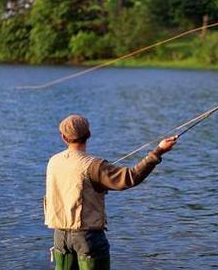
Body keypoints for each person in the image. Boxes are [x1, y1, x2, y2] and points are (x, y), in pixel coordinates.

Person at [44, 114, 177, 270]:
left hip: (60, 237)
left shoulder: (53, 161)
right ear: (89, 135)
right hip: (88, 238)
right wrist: (158, 151)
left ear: (63, 137)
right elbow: (130, 177)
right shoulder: (94, 166)